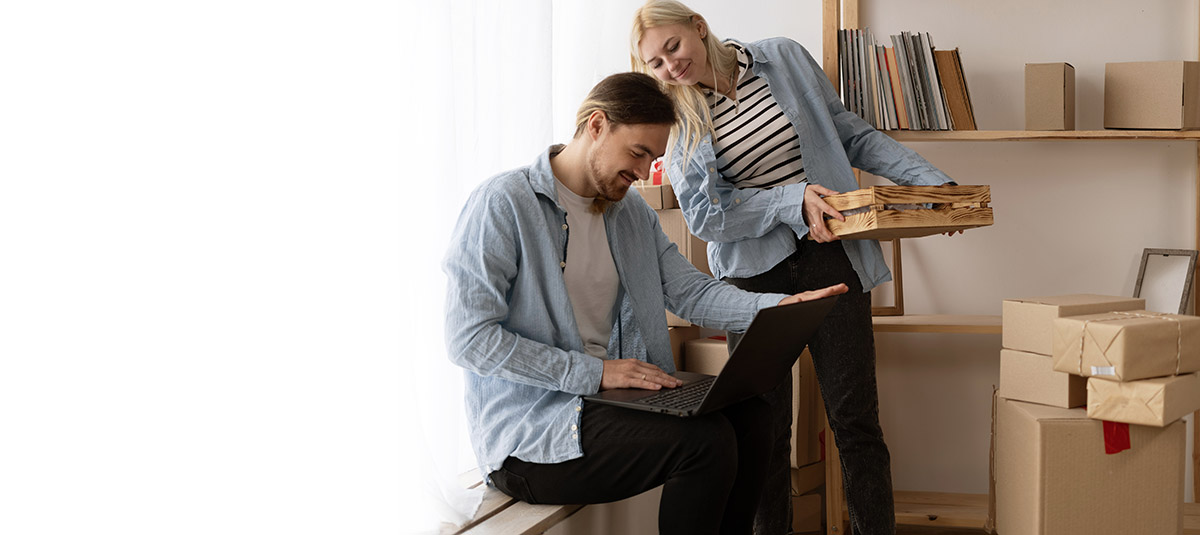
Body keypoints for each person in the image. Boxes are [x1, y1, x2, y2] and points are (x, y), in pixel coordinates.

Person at [443, 71, 847, 535]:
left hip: (606, 403)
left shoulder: (630, 212)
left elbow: (690, 292)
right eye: (638, 153)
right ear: (596, 125)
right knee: (706, 444)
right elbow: (468, 339)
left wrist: (781, 307)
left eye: (653, 158)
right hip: (531, 433)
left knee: (754, 416)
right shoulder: (503, 203)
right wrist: (595, 373)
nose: (642, 173)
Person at [631, 2, 960, 534]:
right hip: (752, 278)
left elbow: (852, 134)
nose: (671, 67)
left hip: (833, 257)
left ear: (698, 27)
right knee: (764, 429)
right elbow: (706, 217)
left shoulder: (783, 58)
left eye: (673, 47)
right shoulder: (680, 117)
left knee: (856, 421)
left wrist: (931, 187)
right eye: (655, 63)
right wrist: (793, 201)